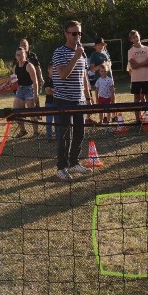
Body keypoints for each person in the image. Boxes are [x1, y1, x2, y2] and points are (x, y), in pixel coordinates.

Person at [51, 20, 93, 181]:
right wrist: (75, 56)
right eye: (74, 33)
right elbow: (63, 74)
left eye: (80, 33)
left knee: (79, 133)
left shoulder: (82, 53)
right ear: (66, 34)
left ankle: (74, 162)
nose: (77, 36)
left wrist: (88, 97)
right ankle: (61, 167)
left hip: (79, 100)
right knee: (64, 135)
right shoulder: (59, 52)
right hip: (63, 100)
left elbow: (84, 77)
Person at [12, 47, 40, 137]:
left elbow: (35, 81)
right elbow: (14, 81)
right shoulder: (15, 67)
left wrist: (36, 95)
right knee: (16, 111)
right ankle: (22, 130)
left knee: (31, 111)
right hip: (20, 89)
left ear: (25, 55)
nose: (20, 57)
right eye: (18, 55)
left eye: (22, 54)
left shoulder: (29, 66)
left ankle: (36, 132)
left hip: (29, 89)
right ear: (15, 56)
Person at [127, 29, 148, 123]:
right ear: (131, 40)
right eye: (133, 37)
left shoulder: (146, 49)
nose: (136, 38)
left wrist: (140, 64)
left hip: (146, 78)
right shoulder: (130, 51)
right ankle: (137, 119)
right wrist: (145, 62)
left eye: (136, 36)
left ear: (139, 36)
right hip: (135, 79)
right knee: (137, 99)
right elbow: (133, 66)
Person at [87, 37, 112, 103]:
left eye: (102, 45)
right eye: (99, 45)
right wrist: (102, 65)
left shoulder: (106, 53)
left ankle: (113, 112)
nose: (101, 46)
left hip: (109, 76)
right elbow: (92, 68)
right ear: (95, 46)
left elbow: (110, 63)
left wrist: (108, 64)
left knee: (112, 94)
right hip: (100, 79)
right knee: (101, 97)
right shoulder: (94, 55)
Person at [43, 65, 55, 141]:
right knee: (49, 121)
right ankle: (49, 137)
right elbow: (47, 91)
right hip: (49, 103)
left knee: (58, 120)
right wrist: (56, 91)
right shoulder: (47, 80)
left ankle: (58, 136)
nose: (54, 71)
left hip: (58, 102)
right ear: (48, 70)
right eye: (52, 69)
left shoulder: (58, 79)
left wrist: (52, 90)